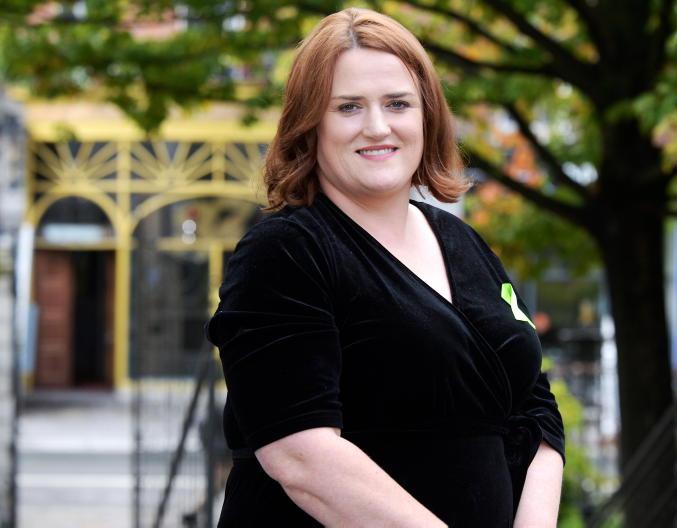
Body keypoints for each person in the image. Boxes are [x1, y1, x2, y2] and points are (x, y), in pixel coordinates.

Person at [205, 7, 565, 527]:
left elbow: (535, 407)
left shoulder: (463, 242)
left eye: (397, 103)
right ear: (310, 124)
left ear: (427, 116)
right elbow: (300, 454)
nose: (377, 127)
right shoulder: (285, 252)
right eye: (348, 107)